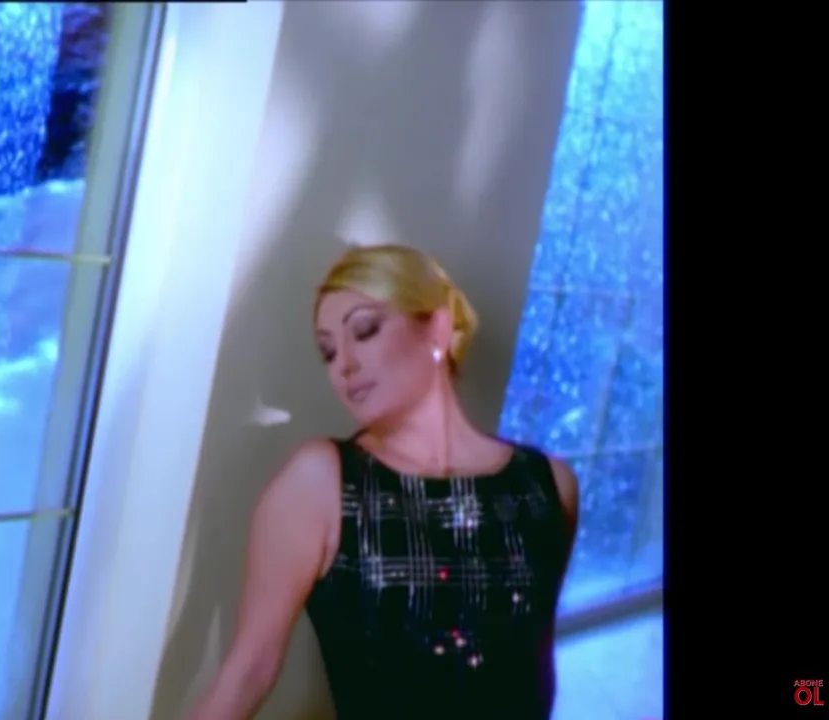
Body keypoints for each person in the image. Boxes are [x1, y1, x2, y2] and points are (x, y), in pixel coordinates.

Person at [188, 245, 580, 720]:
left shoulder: (547, 485)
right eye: (328, 352)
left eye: (365, 331)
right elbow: (247, 672)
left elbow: (534, 669)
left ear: (437, 329)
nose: (344, 365)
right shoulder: (321, 483)